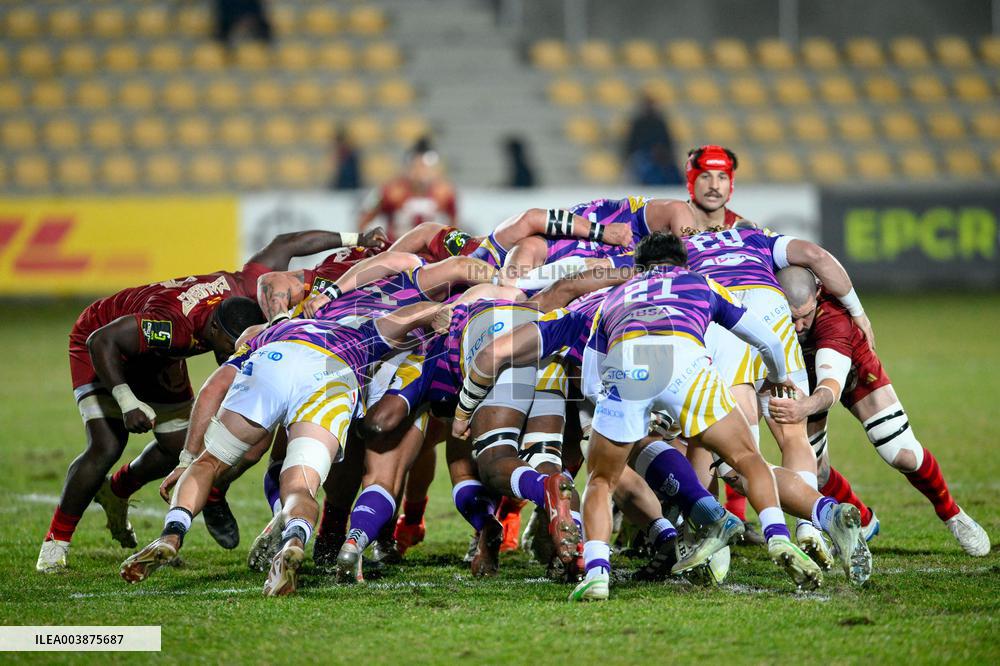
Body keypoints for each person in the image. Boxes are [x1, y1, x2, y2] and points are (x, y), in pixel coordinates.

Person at [36, 229, 368, 573]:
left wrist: (355, 237)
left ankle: (118, 490)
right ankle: (55, 542)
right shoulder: (171, 327)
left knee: (181, 445)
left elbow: (287, 245)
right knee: (107, 444)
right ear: (213, 334)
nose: (233, 355)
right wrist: (126, 400)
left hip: (157, 355)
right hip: (101, 343)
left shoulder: (246, 286)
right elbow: (102, 340)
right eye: (230, 348)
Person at [120, 302, 447, 596]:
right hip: (333, 374)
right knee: (302, 486)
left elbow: (212, 388)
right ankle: (292, 542)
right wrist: (436, 312)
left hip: (275, 360)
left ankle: (171, 534)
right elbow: (404, 317)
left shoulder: (267, 332)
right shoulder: (356, 327)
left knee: (208, 464)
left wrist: (186, 459)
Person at [771, 266, 990, 557]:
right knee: (816, 473)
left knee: (902, 454)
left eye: (805, 316)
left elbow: (830, 389)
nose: (799, 327)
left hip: (850, 372)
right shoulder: (766, 310)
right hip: (802, 378)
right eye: (792, 318)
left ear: (819, 294)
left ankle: (952, 514)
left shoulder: (833, 321)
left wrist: (801, 407)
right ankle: (863, 522)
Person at [357, 139, 457, 242]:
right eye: (417, 167)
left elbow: (454, 227)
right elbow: (364, 219)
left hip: (432, 255)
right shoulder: (389, 190)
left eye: (425, 168)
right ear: (409, 167)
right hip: (397, 252)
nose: (421, 173)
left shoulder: (445, 192)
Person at [622, 93, 681, 185]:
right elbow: (632, 144)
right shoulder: (638, 123)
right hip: (643, 154)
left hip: (661, 155)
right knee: (645, 166)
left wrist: (663, 152)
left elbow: (667, 142)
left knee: (672, 170)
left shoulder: (660, 122)